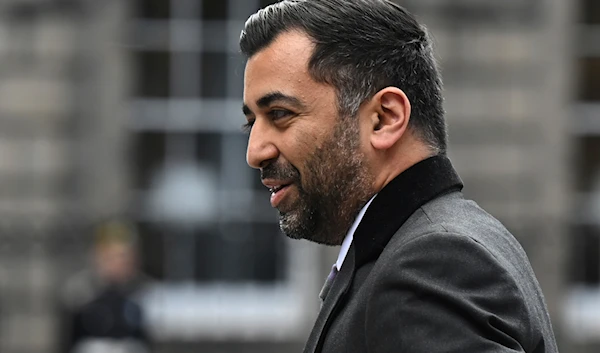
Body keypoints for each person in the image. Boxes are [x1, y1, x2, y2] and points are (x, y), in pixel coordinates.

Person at [239, 0, 558, 352]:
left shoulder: (429, 265)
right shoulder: (446, 242)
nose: (255, 152)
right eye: (251, 122)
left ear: (384, 119)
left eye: (280, 113)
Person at [58, 220, 151, 353]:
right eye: (111, 257)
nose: (118, 263)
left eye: (124, 257)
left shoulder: (145, 294)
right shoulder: (80, 294)